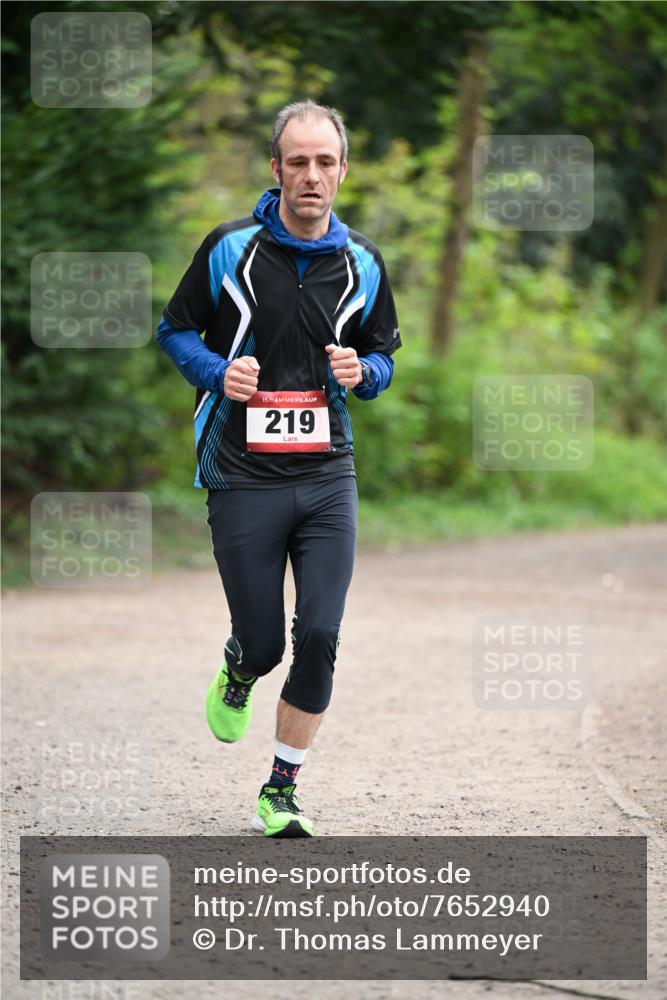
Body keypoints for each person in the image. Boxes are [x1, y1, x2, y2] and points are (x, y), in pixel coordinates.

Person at [157, 100, 401, 837]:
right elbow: (174, 330)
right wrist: (214, 372)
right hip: (241, 473)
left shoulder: (360, 261)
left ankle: (281, 789)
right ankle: (239, 666)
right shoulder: (230, 249)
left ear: (342, 171)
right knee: (265, 643)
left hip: (327, 473)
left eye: (324, 162)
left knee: (321, 633)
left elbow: (385, 353)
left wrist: (366, 373)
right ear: (275, 170)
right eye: (297, 162)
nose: (311, 176)